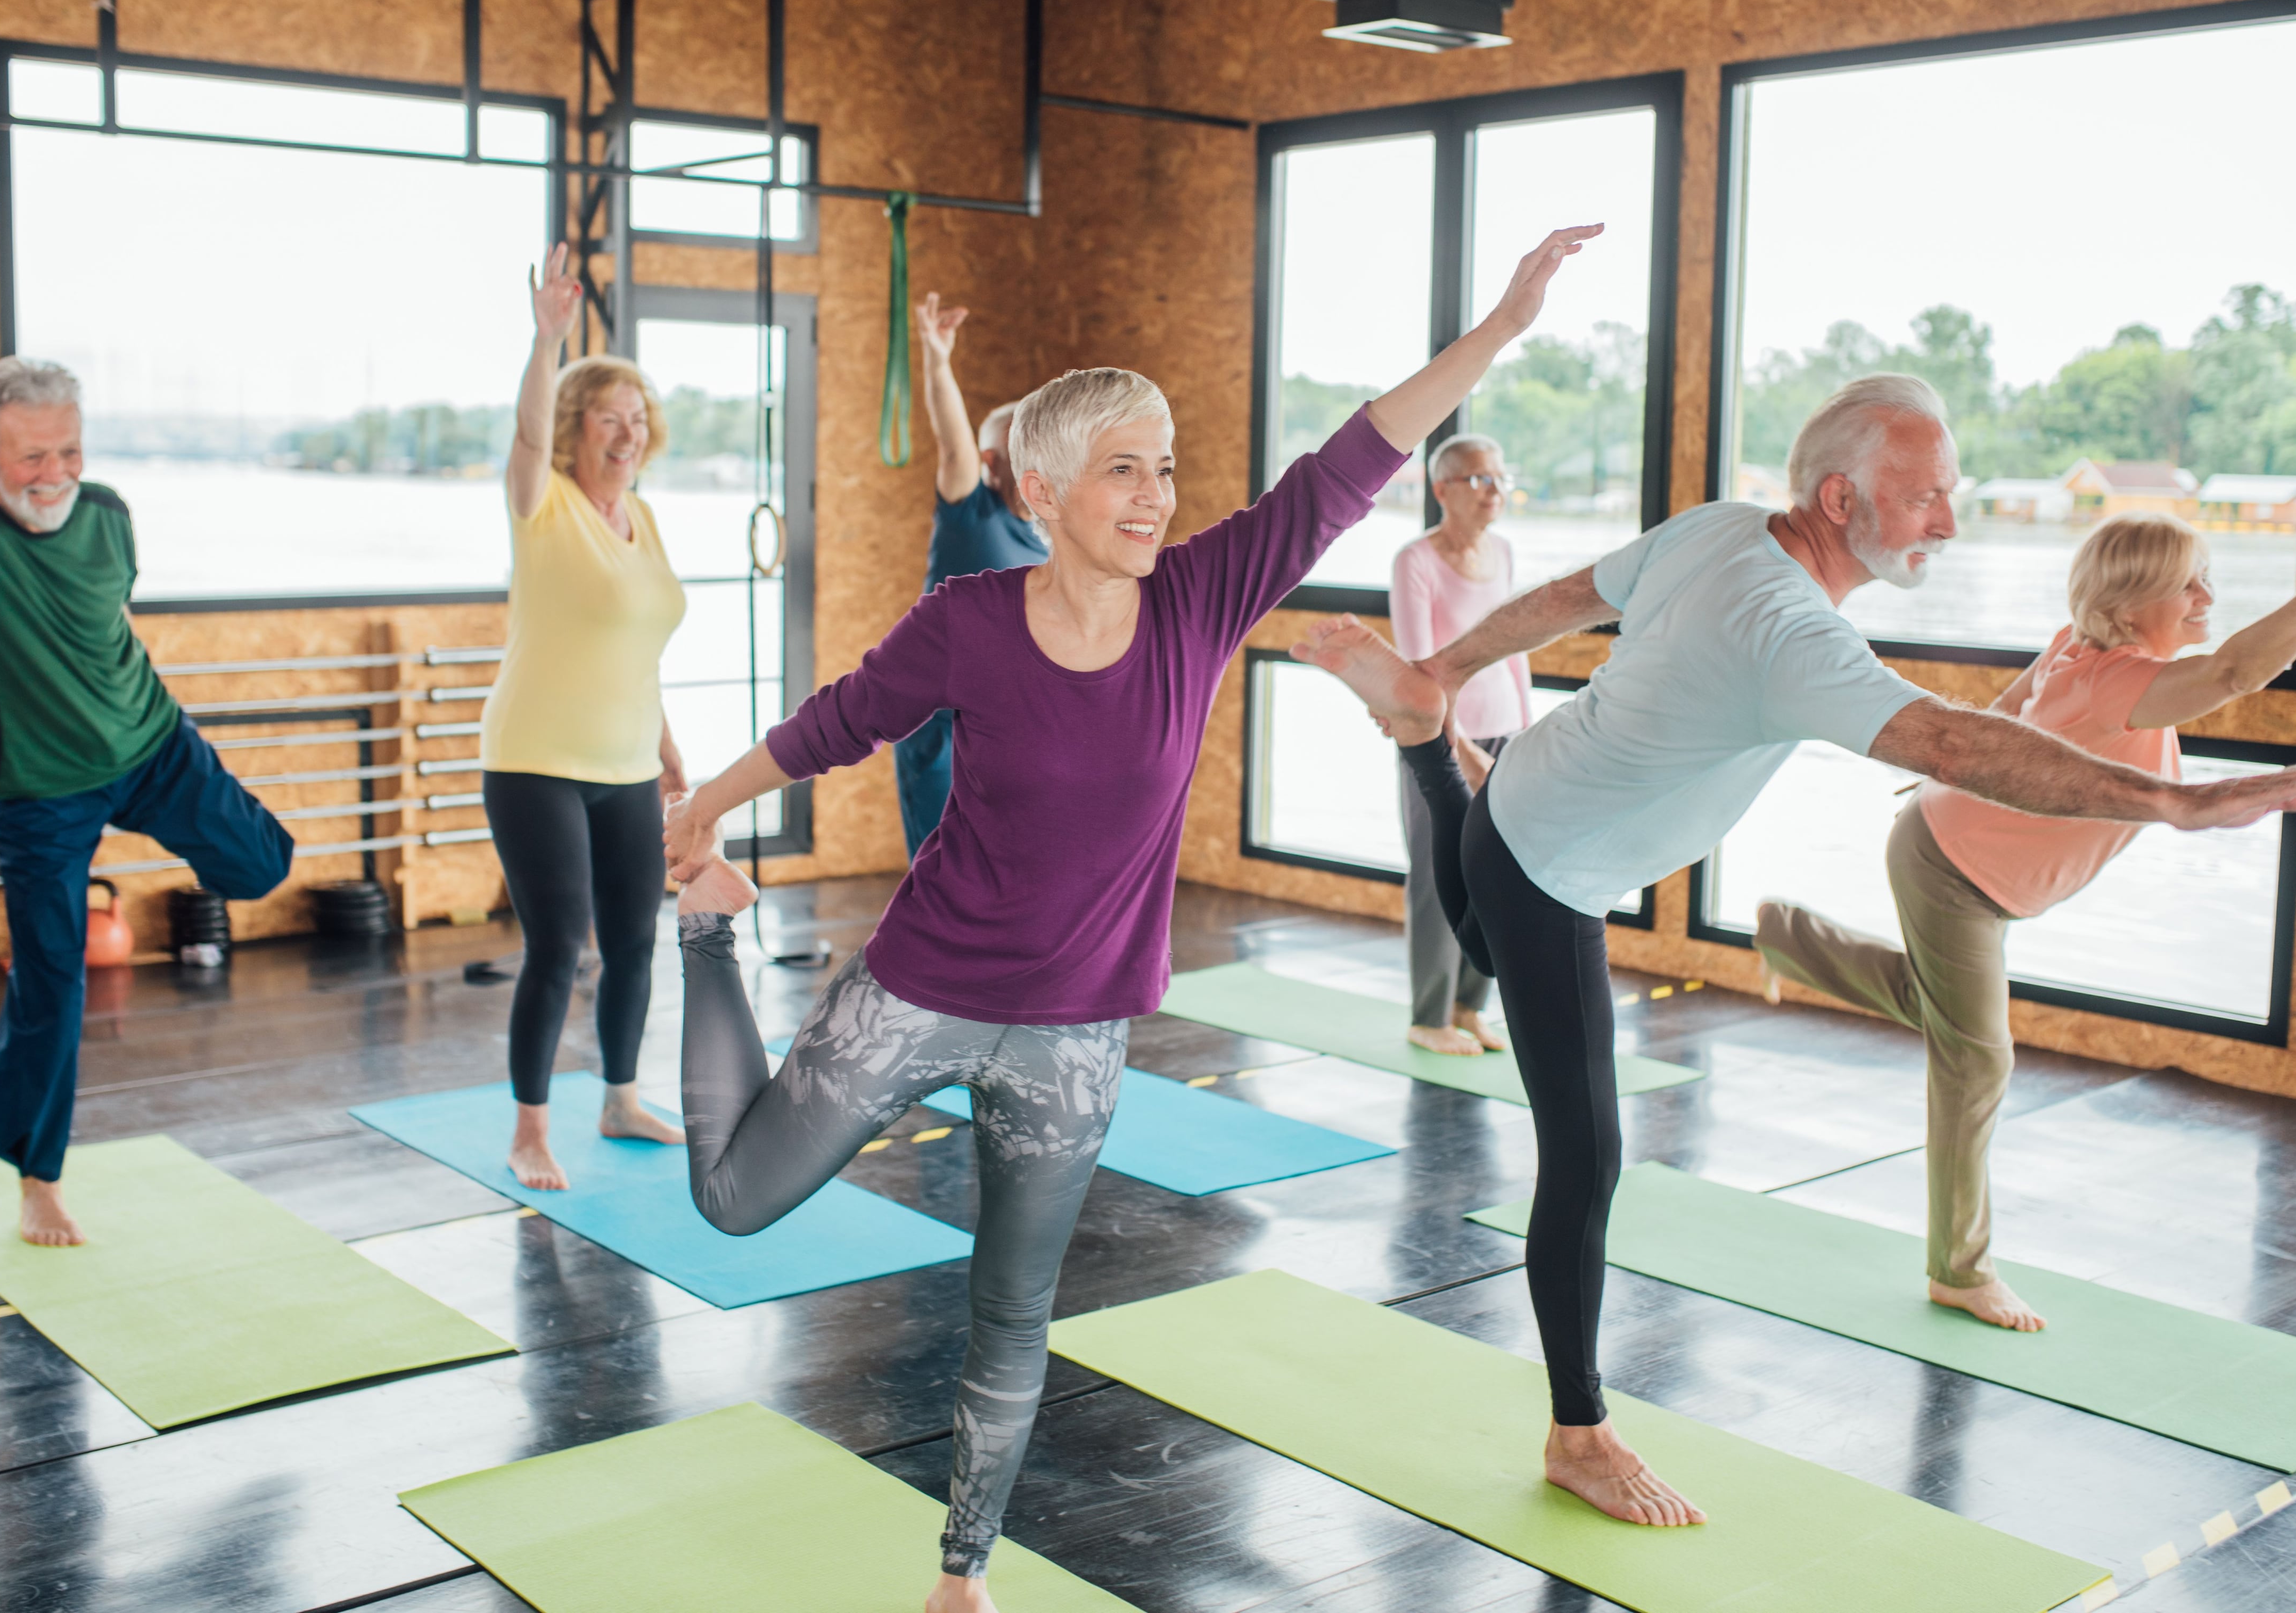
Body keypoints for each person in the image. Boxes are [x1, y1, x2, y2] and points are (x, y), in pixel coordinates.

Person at [659, 224, 1603, 1613]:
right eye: (1124, 469)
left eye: (1166, 467)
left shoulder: (1205, 598)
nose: (1157, 496)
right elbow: (837, 722)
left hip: (1079, 1031)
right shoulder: (972, 617)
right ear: (1042, 488)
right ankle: (709, 934)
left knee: (1014, 1305)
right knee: (735, 1201)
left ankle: (961, 1576)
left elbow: (1356, 454)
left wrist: (1506, 325)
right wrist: (705, 815)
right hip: (921, 984)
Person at [1289, 372, 2296, 1529]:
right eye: (1926, 498)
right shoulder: (1792, 631)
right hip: (1552, 871)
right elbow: (1961, 744)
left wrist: (1442, 673)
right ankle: (1578, 1434)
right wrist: (2180, 805)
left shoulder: (1719, 529)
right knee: (1584, 1155)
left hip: (1518, 801)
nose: (1947, 521)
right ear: (1841, 497)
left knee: (1474, 917)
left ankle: (1419, 736)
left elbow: (1559, 598)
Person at [1752, 500, 2296, 1331]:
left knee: (1949, 1019)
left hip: (1954, 851)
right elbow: (2236, 671)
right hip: (1953, 870)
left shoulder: (2081, 649)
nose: (2208, 598)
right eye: (2189, 585)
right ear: (2130, 602)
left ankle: (1787, 935)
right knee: (1977, 1063)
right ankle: (1960, 1268)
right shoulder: (2113, 677)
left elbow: (2001, 713)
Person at [0, 358, 294, 1247]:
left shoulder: (109, 514)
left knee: (263, 863)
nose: (54, 473)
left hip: (152, 744)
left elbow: (108, 615)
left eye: (69, 451)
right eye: (31, 456)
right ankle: (38, 1178)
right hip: (42, 788)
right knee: (52, 981)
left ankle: (146, 821)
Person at [480, 243, 692, 1191]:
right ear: (575, 425)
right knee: (560, 941)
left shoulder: (642, 517)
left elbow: (640, 652)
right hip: (537, 758)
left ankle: (620, 1098)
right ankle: (530, 1130)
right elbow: (525, 442)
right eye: (610, 416)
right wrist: (547, 339)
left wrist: (671, 753)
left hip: (627, 764)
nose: (628, 431)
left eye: (638, 417)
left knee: (637, 938)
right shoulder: (544, 502)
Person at [1390, 432, 1531, 1056]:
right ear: (1440, 487)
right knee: (1437, 873)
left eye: (1499, 477)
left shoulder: (1502, 552)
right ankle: (1428, 1015)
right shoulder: (1414, 561)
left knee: (1498, 874)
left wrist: (1525, 733)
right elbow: (1420, 666)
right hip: (1438, 741)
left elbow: (1515, 648)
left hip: (1504, 732)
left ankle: (1469, 1005)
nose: (1493, 490)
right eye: (1478, 479)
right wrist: (1451, 746)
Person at [893, 291, 1047, 858]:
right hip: (941, 736)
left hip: (1011, 735)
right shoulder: (971, 513)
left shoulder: (1048, 536)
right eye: (1024, 446)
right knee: (942, 880)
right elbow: (954, 444)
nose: (1041, 456)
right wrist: (936, 358)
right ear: (991, 462)